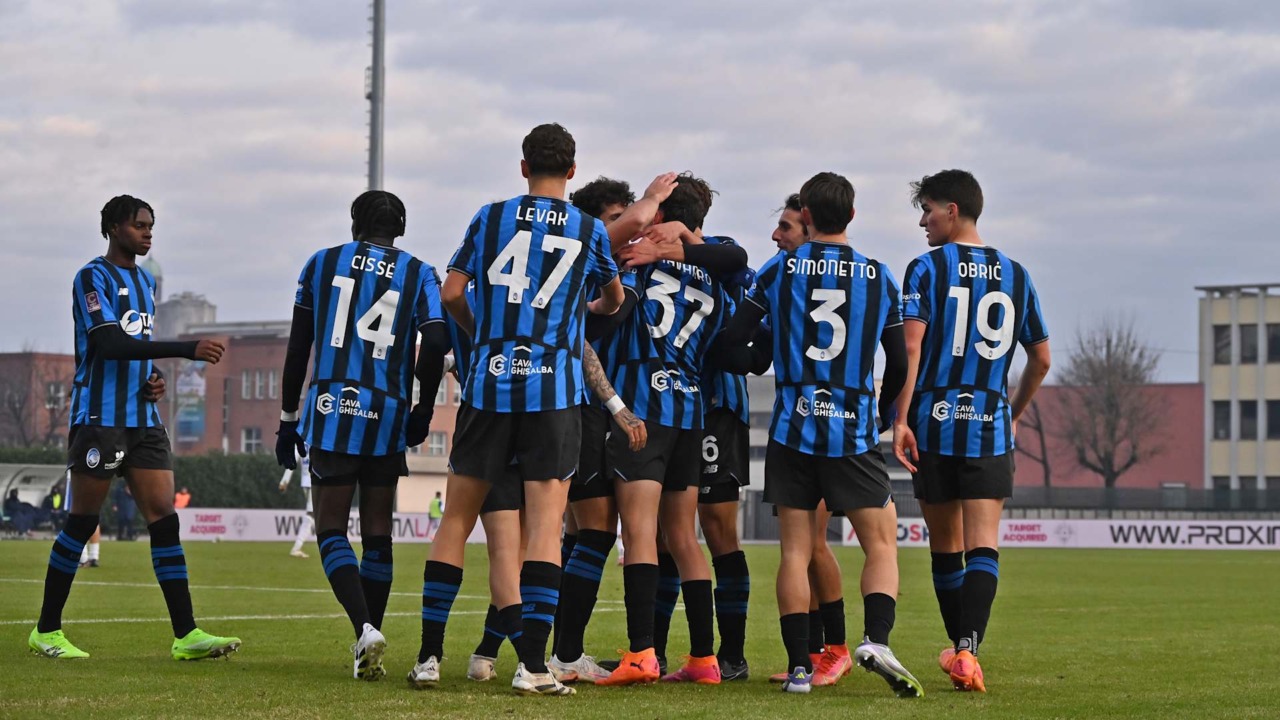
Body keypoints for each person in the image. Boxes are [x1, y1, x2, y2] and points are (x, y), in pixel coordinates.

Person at [411, 122, 623, 697]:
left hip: (491, 384)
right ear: (573, 171)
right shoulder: (588, 229)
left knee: (457, 518)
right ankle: (532, 666)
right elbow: (613, 299)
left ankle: (430, 657)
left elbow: (453, 293)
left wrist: (484, 340)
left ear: (523, 166)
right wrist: (578, 311)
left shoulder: (490, 216)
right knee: (545, 528)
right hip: (554, 391)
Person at [718, 172, 922, 697]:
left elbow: (737, 337)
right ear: (851, 216)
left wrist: (763, 358)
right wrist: (880, 413)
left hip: (791, 428)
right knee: (880, 543)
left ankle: (800, 668)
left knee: (794, 552)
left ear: (805, 215)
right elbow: (898, 361)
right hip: (852, 431)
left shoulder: (781, 268)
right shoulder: (878, 276)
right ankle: (875, 639)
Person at [30, 194, 239, 662]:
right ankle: (46, 630)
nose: (148, 232)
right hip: (100, 419)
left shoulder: (144, 282)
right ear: (113, 228)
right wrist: (184, 350)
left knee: (164, 518)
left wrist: (155, 380)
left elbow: (135, 346)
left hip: (142, 420)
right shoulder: (91, 277)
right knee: (82, 522)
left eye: (151, 225)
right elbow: (107, 343)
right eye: (140, 225)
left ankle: (186, 635)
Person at [275, 190, 448, 681]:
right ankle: (367, 642)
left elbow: (297, 349)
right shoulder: (419, 272)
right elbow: (434, 339)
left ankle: (365, 629)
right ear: (402, 227)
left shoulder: (321, 263)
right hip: (387, 410)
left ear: (354, 223)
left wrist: (289, 419)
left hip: (332, 407)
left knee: (330, 526)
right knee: (377, 533)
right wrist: (424, 406)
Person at [892, 169, 1051, 693]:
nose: (923, 220)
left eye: (929, 209)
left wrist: (901, 417)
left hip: (935, 421)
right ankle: (967, 651)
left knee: (945, 546)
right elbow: (1042, 359)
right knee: (984, 543)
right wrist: (1012, 411)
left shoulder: (925, 268)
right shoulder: (1017, 274)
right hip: (988, 422)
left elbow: (911, 348)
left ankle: (962, 652)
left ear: (953, 210)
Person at [593, 175, 748, 686]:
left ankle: (642, 654)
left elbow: (615, 308)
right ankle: (704, 660)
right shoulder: (713, 276)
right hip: (690, 407)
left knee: (639, 534)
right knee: (684, 536)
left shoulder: (640, 259)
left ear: (661, 217)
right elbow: (733, 271)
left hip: (643, 405)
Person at [549, 174, 668, 684]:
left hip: (571, 405)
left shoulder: (584, 268)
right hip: (576, 406)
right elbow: (581, 342)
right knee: (594, 530)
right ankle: (561, 653)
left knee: (576, 533)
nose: (624, 229)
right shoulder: (585, 247)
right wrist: (656, 200)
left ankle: (554, 650)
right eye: (612, 219)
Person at [759, 194, 854, 689]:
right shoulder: (789, 279)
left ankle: (832, 650)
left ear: (810, 227)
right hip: (809, 424)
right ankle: (817, 652)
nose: (778, 236)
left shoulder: (796, 277)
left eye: (787, 228)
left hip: (816, 427)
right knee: (807, 546)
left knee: (811, 546)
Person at [277, 452, 314, 558]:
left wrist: (284, 481)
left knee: (314, 513)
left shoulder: (300, 440)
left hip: (306, 482)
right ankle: (297, 548)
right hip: (315, 481)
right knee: (312, 514)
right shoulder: (318, 438)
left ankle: (297, 547)